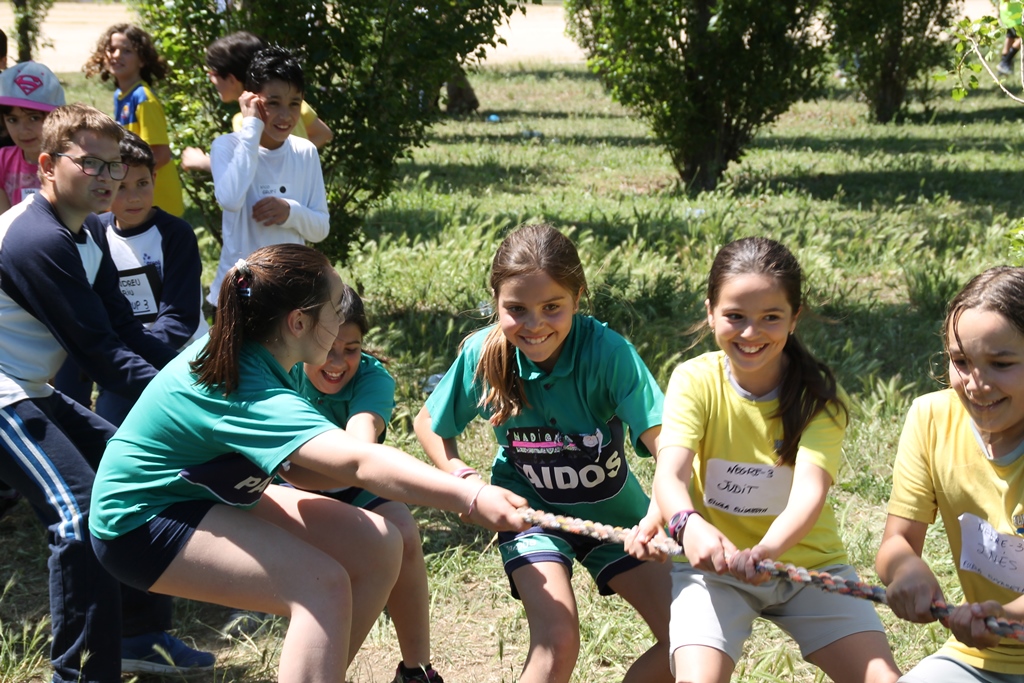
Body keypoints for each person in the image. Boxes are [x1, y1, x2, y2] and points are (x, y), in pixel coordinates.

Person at [88, 243, 529, 683]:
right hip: (139, 520)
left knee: (377, 543)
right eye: (335, 308)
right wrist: (470, 494)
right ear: (298, 322)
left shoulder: (263, 354)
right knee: (321, 585)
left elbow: (302, 470)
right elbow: (358, 462)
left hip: (203, 491)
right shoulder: (249, 389)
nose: (341, 319)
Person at [0, 103, 212, 683]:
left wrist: (203, 379)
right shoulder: (36, 239)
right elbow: (100, 355)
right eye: (89, 163)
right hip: (4, 393)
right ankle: (78, 676)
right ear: (47, 166)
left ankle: (138, 636)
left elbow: (124, 330)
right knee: (79, 516)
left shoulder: (89, 232)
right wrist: (199, 408)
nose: (107, 178)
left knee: (133, 476)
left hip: (29, 387)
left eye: (114, 165)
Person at [414, 223, 672, 683]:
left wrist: (663, 513)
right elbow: (430, 424)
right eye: (516, 309)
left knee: (687, 639)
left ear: (578, 297)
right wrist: (465, 481)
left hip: (620, 520)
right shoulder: (482, 354)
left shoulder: (609, 353)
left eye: (552, 307)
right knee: (558, 639)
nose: (534, 325)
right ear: (496, 301)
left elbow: (666, 442)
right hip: (529, 516)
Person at [639, 236, 899, 683]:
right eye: (735, 316)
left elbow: (809, 494)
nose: (750, 333)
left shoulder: (819, 397)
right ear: (710, 312)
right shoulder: (694, 380)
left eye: (770, 318)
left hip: (807, 565)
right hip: (712, 570)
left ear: (795, 318)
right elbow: (670, 474)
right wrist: (687, 525)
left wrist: (766, 552)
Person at [876, 266, 1024, 681]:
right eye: (961, 361)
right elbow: (896, 542)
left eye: (1000, 363)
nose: (976, 384)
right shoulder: (932, 418)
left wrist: (1004, 616)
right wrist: (906, 568)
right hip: (978, 659)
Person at [292, 284, 441, 683]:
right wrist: (296, 473)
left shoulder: (373, 379)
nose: (338, 362)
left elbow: (358, 450)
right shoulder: (282, 371)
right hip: (288, 491)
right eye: (327, 347)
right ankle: (321, 673)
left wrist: (300, 469)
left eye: (352, 349)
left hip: (346, 479)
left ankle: (416, 672)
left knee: (405, 532)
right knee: (333, 570)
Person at [54, 131, 208, 425]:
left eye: (142, 183)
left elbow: (179, 316)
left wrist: (134, 353)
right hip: (122, 362)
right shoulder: (93, 232)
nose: (134, 197)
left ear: (154, 178)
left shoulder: (176, 234)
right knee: (111, 429)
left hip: (179, 358)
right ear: (103, 186)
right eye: (121, 187)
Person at [206, 45, 329, 311]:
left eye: (294, 104)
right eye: (273, 103)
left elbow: (320, 228)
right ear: (251, 100)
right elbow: (230, 199)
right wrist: (251, 127)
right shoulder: (226, 147)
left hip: (288, 291)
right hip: (240, 291)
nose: (285, 115)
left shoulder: (305, 151)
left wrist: (290, 211)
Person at [180, 31, 333, 173]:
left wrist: (202, 162)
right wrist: (296, 160)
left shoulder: (246, 120)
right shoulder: (293, 104)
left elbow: (247, 169)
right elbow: (324, 134)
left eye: (213, 73)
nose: (210, 79)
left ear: (232, 79)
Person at [84, 23, 185, 216]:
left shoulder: (143, 98)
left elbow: (160, 154)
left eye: (127, 51)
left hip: (159, 203)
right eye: (112, 49)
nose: (117, 55)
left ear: (142, 60)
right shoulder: (121, 95)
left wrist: (119, 180)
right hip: (137, 202)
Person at [0, 61, 65, 213]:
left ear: (58, 117)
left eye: (34, 118)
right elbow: (3, 221)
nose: (23, 130)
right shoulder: (2, 161)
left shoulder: (70, 163)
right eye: (13, 120)